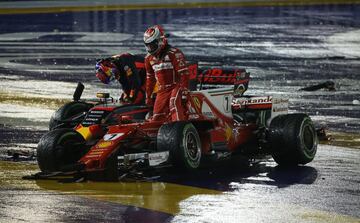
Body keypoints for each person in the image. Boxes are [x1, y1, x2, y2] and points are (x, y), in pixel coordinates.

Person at [144, 25, 190, 121]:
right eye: (148, 45)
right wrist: (148, 96)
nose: (150, 48)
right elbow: (150, 79)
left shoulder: (174, 53)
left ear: (161, 41)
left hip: (176, 87)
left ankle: (179, 129)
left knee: (174, 105)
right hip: (162, 90)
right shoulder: (148, 58)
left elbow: (184, 74)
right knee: (157, 117)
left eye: (152, 45)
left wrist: (184, 91)